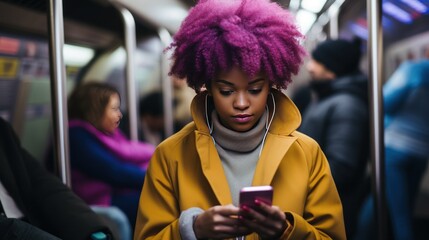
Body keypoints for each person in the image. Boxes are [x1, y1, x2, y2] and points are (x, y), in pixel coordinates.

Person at [134, 0, 346, 239]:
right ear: (208, 87)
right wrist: (191, 231)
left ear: (271, 84)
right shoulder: (171, 154)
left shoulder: (306, 153)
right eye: (226, 91)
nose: (242, 103)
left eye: (255, 89)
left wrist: (287, 231)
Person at [296, 37, 370, 238]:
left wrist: (299, 189)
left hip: (332, 202)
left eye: (317, 62)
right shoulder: (328, 97)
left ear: (332, 68)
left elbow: (341, 166)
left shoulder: (346, 105)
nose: (310, 67)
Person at [0, 117, 112, 240]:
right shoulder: (78, 133)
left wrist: (92, 229)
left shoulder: (3, 130)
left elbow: (43, 184)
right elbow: (112, 169)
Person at [355, 60, 429, 240]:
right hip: (422, 151)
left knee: (398, 213)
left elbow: (384, 104)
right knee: (392, 202)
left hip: (395, 148)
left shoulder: (414, 69)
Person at [67, 82, 155, 233]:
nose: (119, 114)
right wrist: (157, 179)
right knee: (157, 202)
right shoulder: (77, 136)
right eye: (114, 109)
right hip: (98, 200)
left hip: (113, 193)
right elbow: (114, 172)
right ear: (95, 111)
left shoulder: (104, 134)